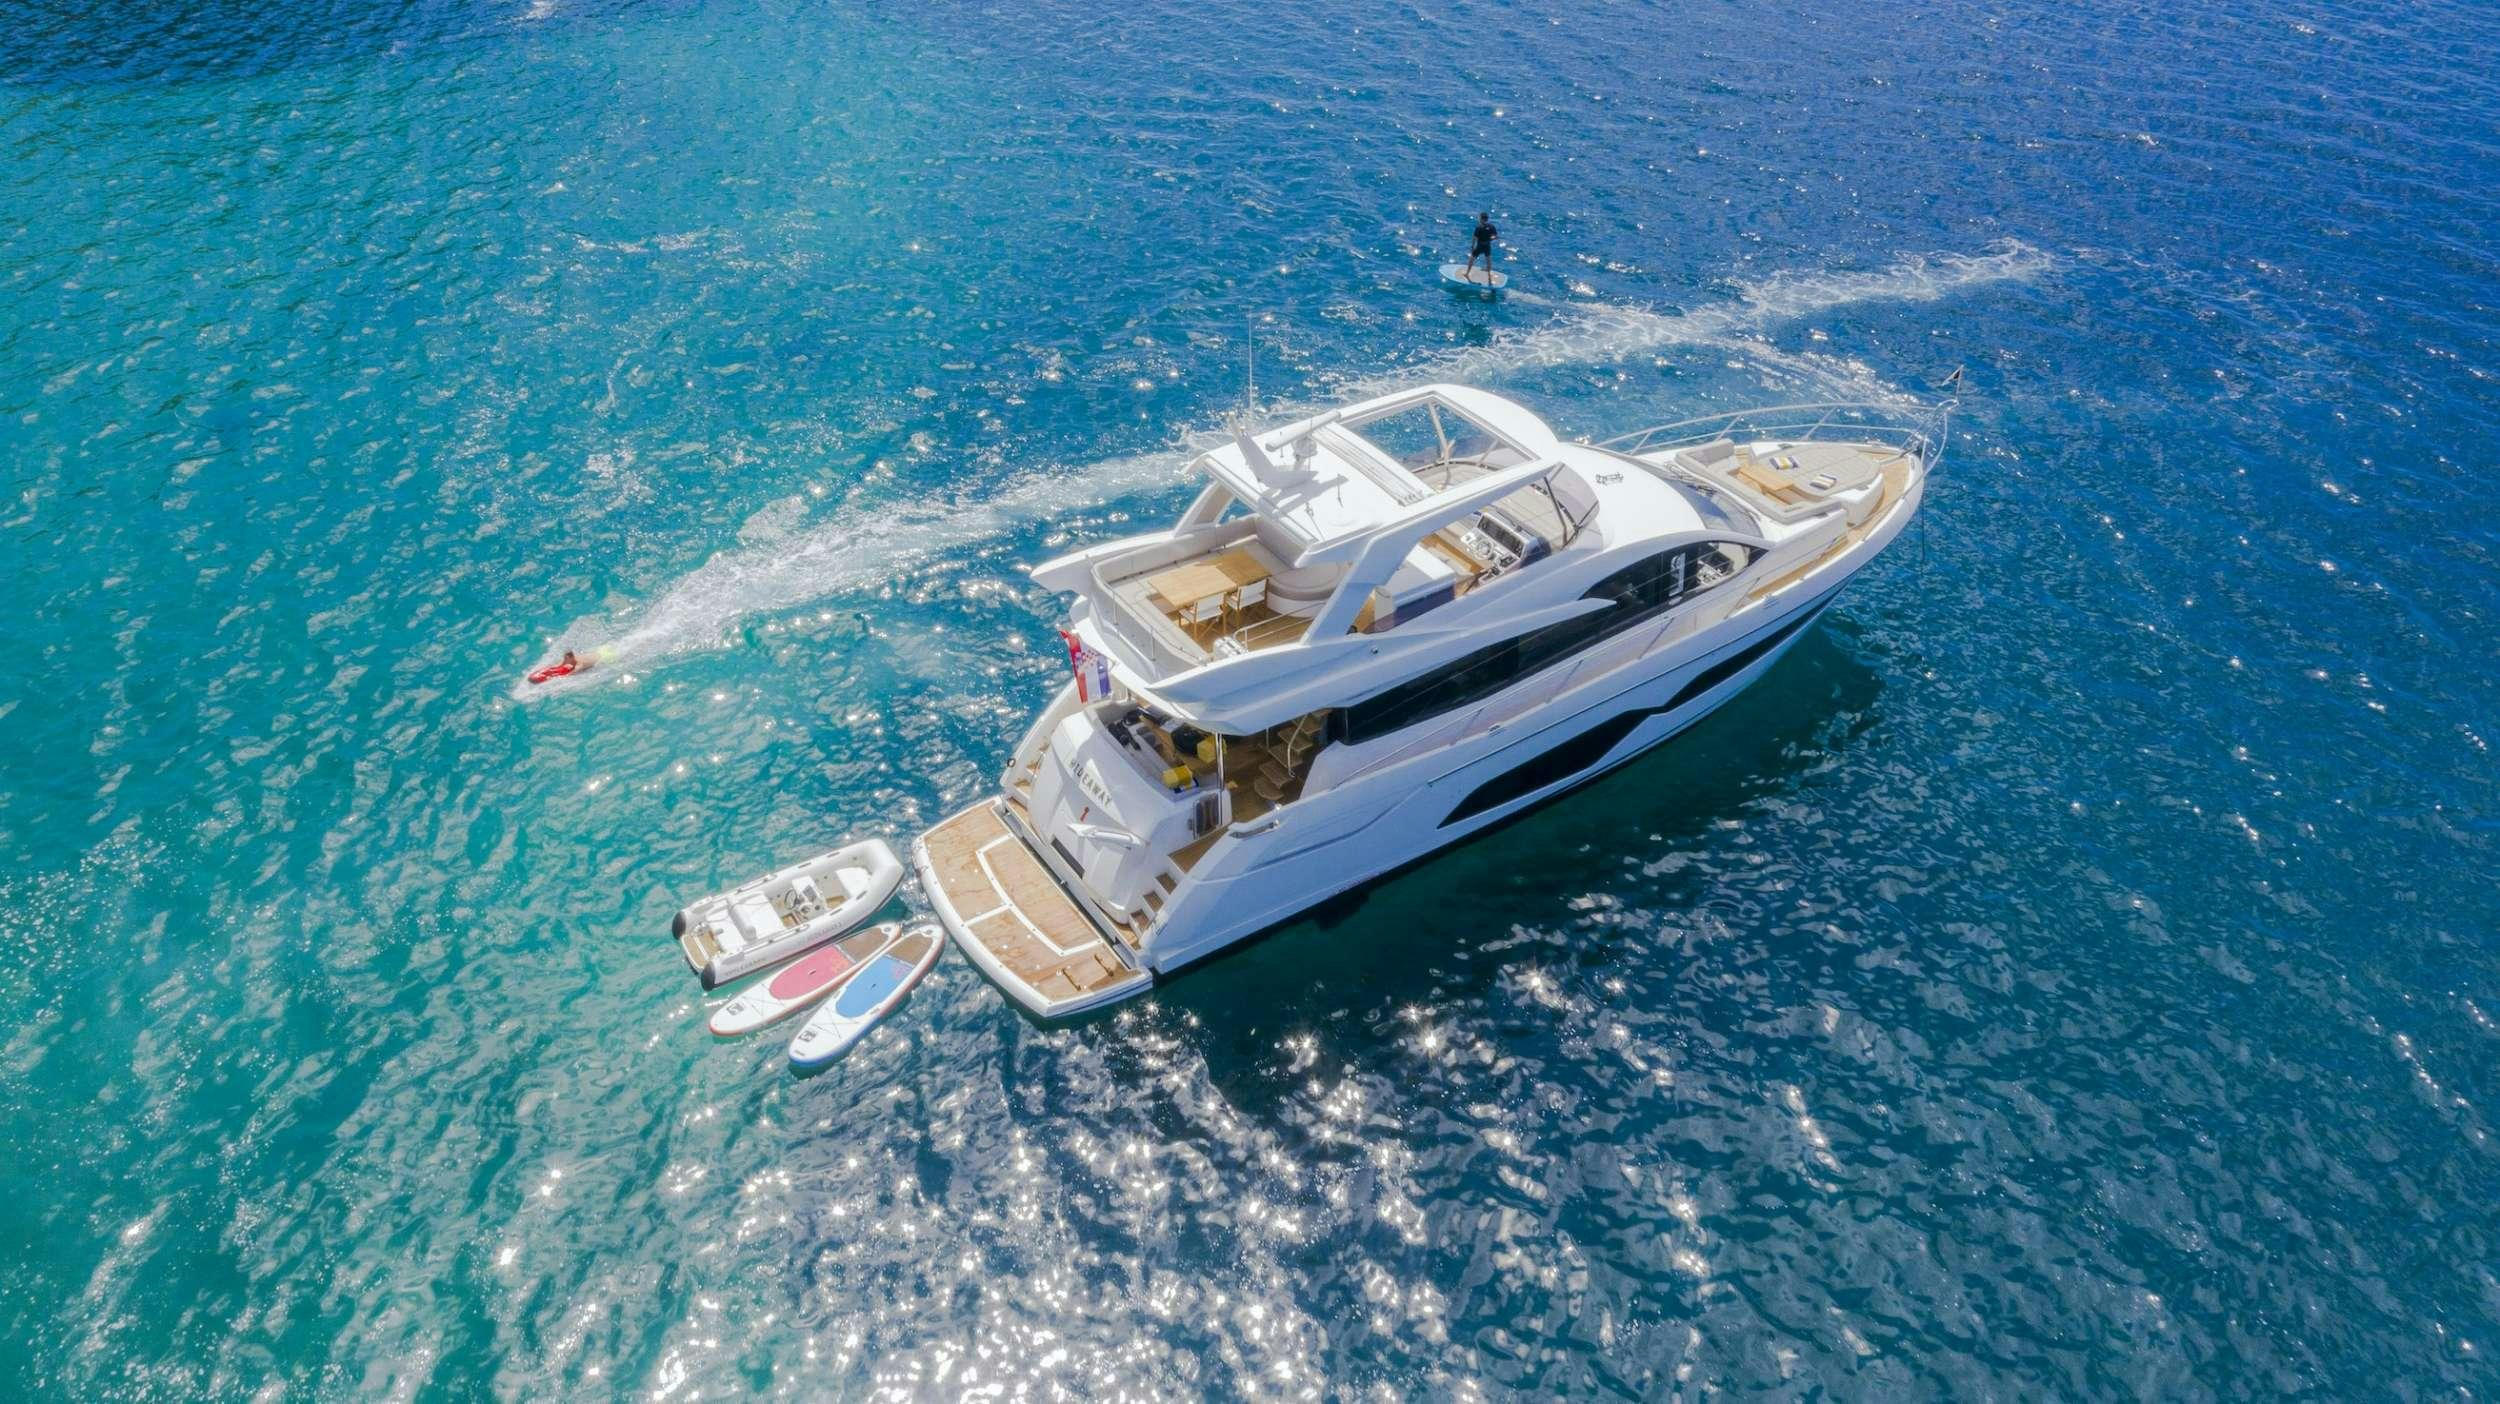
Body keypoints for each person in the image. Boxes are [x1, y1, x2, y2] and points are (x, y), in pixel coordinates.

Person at [1464, 211, 1498, 282]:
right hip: (1487, 245)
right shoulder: (1492, 226)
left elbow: (1474, 238)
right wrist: (1489, 239)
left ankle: (1467, 273)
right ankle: (1489, 276)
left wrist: (1472, 246)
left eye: (1479, 218)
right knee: (1488, 260)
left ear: (1482, 219)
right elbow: (1495, 237)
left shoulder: (1479, 227)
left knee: (1472, 259)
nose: (1478, 219)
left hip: (1480, 245)